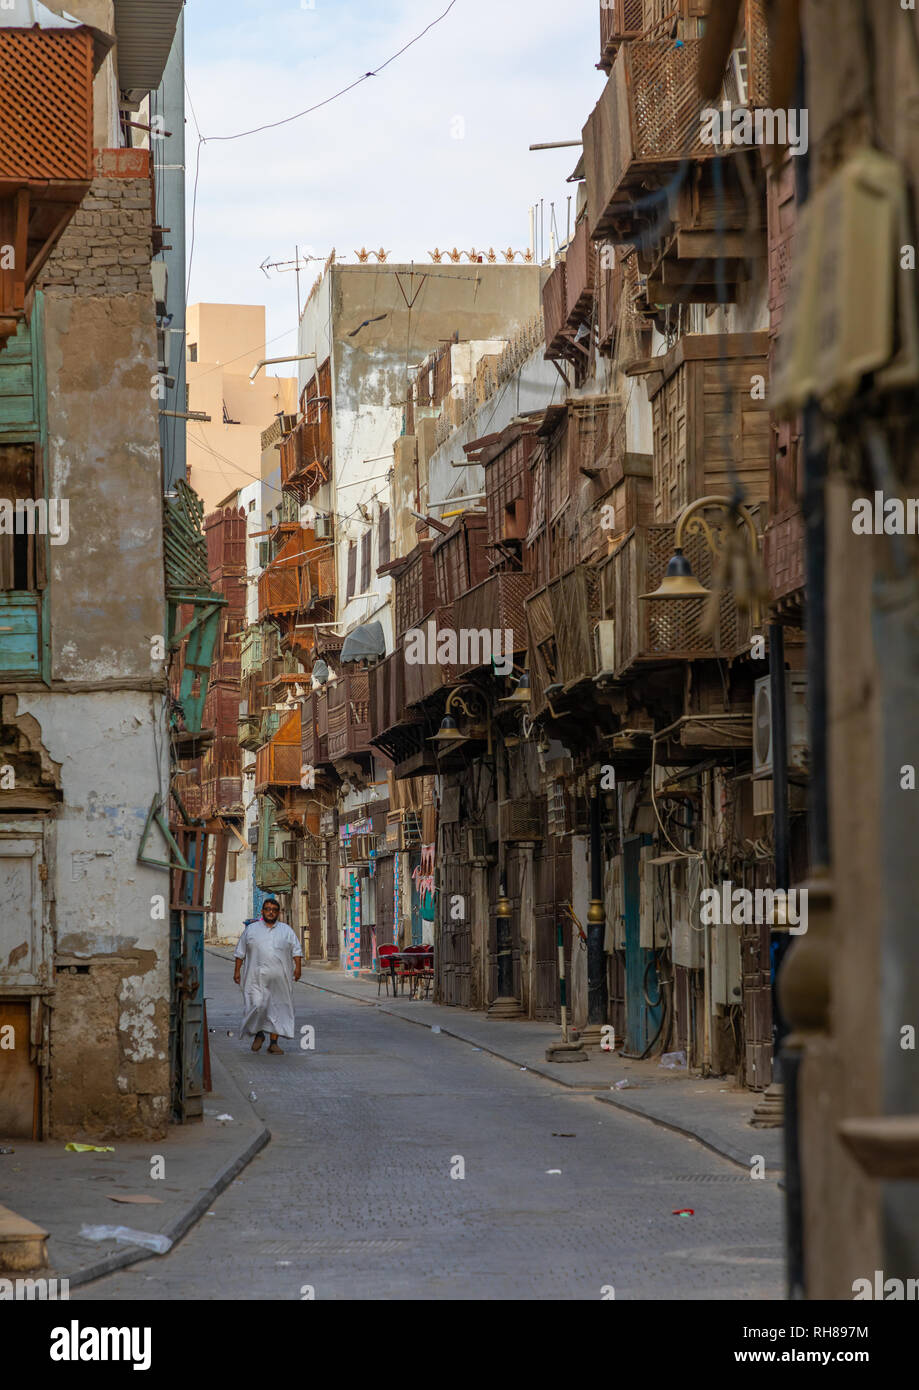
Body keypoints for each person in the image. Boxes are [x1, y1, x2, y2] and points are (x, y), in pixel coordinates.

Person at [233, 898, 302, 1055]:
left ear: (278, 913)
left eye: (274, 909)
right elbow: (240, 952)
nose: (271, 912)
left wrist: (298, 968)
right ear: (262, 911)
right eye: (267, 909)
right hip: (255, 979)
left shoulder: (286, 930)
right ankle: (259, 1034)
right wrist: (237, 971)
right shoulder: (251, 930)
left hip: (280, 979)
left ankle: (273, 1043)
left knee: (277, 1008)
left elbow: (296, 950)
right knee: (258, 1005)